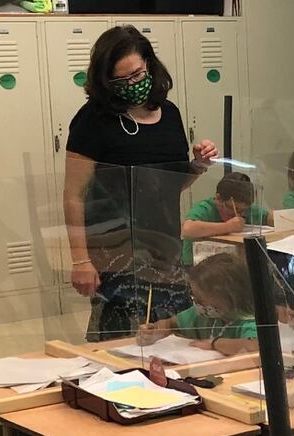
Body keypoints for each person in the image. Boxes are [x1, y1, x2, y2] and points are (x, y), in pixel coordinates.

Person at [63, 25, 219, 341]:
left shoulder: (171, 115)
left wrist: (198, 166)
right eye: (120, 81)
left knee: (173, 339)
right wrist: (80, 259)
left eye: (135, 75)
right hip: (116, 251)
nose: (131, 85)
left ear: (148, 63)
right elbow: (73, 195)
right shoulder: (93, 120)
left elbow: (168, 186)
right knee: (122, 343)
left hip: (165, 250)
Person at [138, 252, 257, 355]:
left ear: (228, 296)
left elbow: (255, 346)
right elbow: (171, 323)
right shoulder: (203, 314)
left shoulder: (248, 321)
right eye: (194, 296)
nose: (196, 301)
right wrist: (155, 331)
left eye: (200, 298)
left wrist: (215, 344)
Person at [179, 171, 272, 266]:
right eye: (232, 208)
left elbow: (269, 218)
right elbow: (187, 229)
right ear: (218, 198)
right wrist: (228, 226)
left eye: (243, 210)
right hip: (195, 268)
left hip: (231, 268)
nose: (238, 215)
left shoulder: (248, 211)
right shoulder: (205, 209)